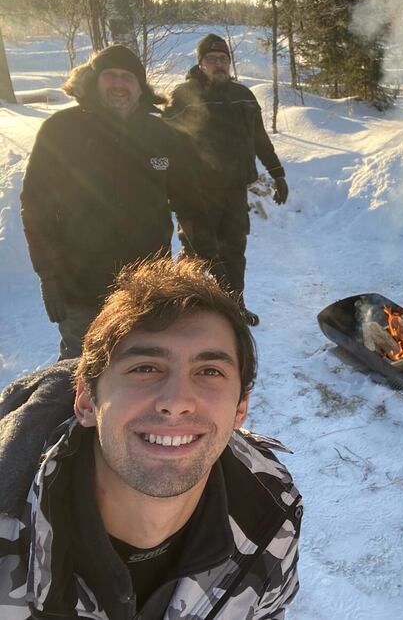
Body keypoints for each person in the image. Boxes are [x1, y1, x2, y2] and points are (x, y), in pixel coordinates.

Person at [0, 256, 302, 619]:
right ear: (85, 400)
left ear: (240, 408)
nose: (175, 403)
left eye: (209, 370)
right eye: (145, 368)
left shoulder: (271, 508)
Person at [20, 44, 217, 360]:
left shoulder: (164, 135)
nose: (118, 84)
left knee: (143, 365)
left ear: (141, 87)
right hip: (80, 286)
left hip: (148, 287)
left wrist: (200, 262)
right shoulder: (61, 131)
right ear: (94, 82)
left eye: (128, 77)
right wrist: (49, 275)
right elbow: (36, 206)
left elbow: (192, 204)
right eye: (109, 75)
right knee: (80, 370)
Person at [165, 34, 289, 327]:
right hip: (195, 192)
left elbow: (260, 139)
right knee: (199, 253)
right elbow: (163, 143)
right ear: (200, 63)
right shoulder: (183, 96)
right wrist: (168, 186)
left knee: (234, 250)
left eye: (223, 59)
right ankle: (184, 308)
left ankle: (234, 306)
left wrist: (278, 173)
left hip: (234, 190)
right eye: (211, 59)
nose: (218, 64)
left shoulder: (243, 96)